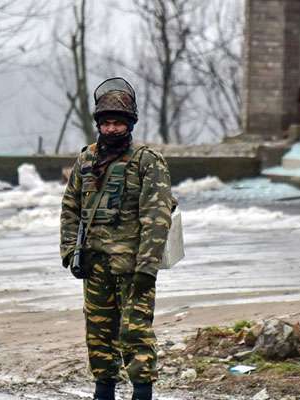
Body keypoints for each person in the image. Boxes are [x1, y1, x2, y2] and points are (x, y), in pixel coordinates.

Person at [59, 77, 175, 400]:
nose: (111, 129)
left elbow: (157, 217)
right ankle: (104, 392)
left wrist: (147, 267)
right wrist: (71, 251)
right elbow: (70, 207)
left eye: (118, 123)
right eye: (106, 123)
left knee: (134, 334)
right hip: (94, 266)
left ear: (130, 124)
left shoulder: (147, 161)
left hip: (133, 267)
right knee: (98, 336)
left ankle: (141, 393)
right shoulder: (86, 160)